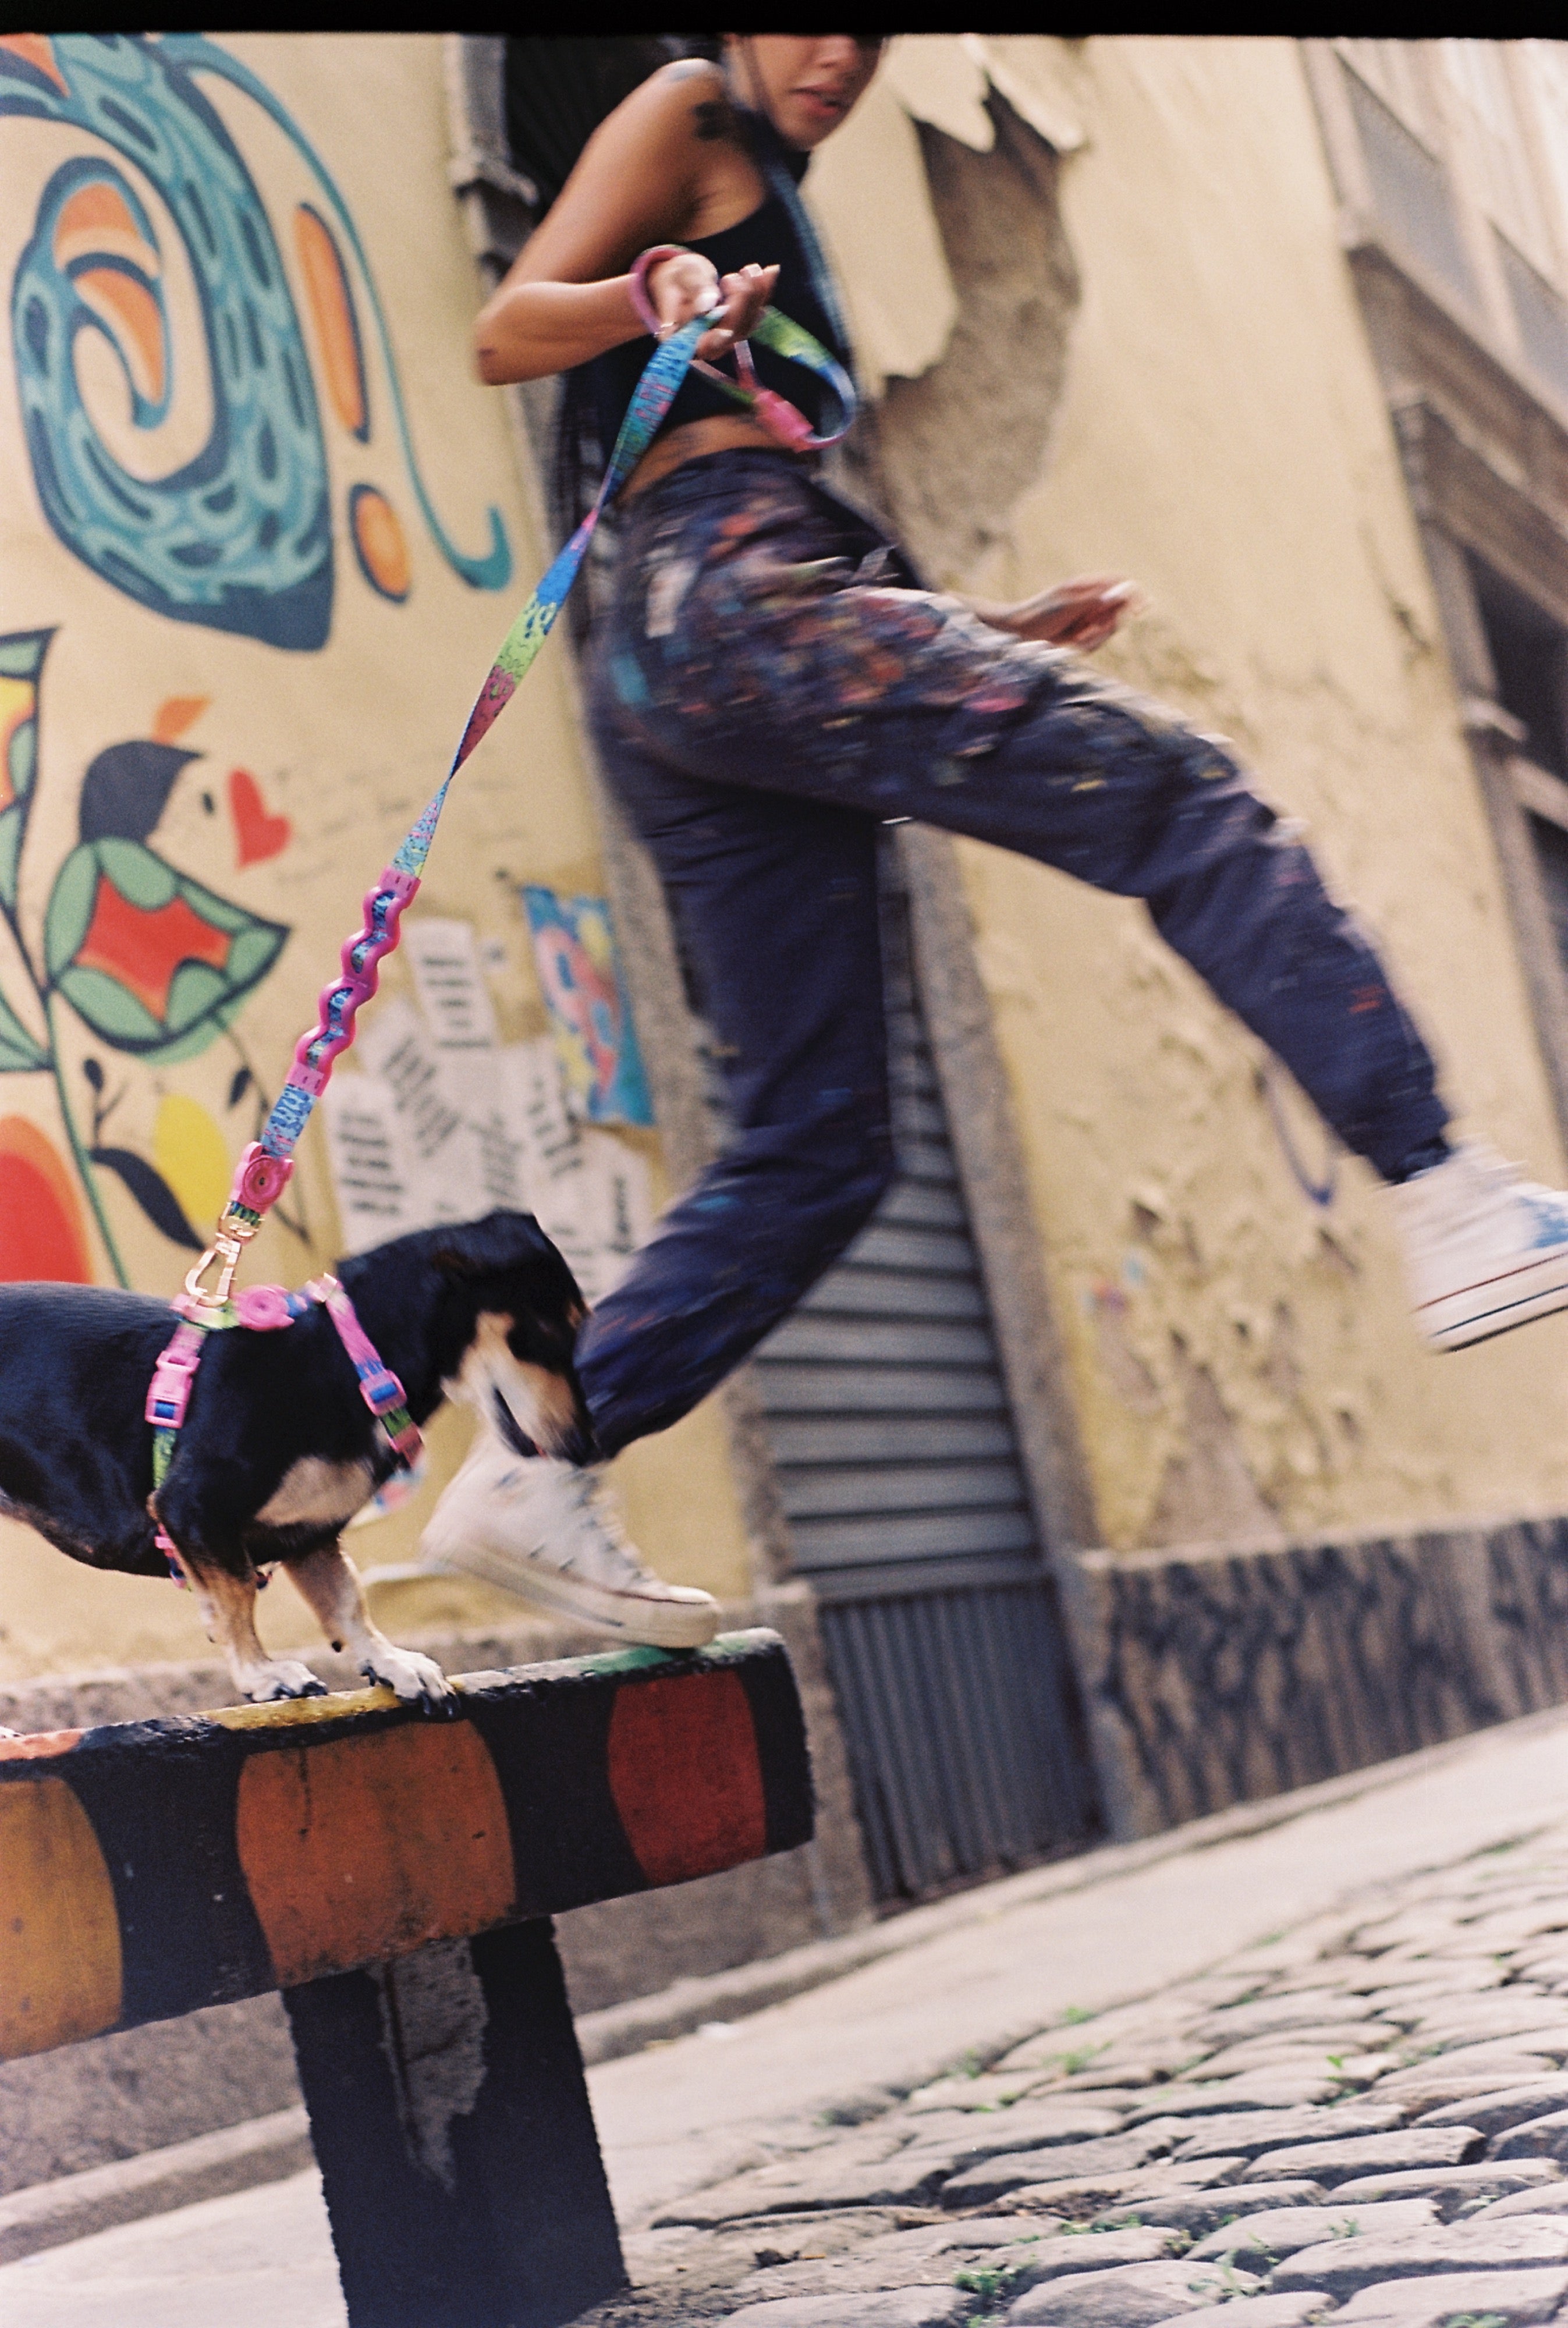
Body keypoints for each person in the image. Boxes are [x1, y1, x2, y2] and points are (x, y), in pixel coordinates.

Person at [423, 34, 1568, 1644]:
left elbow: (757, 518)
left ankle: (544, 1453)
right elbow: (505, 331)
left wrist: (980, 629)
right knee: (1182, 798)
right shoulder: (689, 108)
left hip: (696, 657)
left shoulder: (782, 204)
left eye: (874, 32)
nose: (841, 53)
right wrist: (646, 296)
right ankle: (1445, 1190)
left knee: (819, 1141)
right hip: (729, 612)